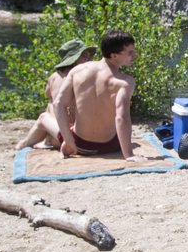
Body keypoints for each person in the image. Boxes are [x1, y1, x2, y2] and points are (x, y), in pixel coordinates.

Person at [54, 30, 144, 161]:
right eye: (130, 52)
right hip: (108, 146)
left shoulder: (77, 70)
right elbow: (121, 118)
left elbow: (58, 104)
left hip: (78, 144)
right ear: (113, 55)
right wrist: (129, 155)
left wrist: (68, 140)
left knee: (61, 125)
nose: (134, 55)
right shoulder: (124, 81)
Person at [15, 39, 96, 150]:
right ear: (74, 59)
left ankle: (28, 143)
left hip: (73, 136)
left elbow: (47, 94)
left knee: (48, 109)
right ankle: (46, 139)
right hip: (84, 134)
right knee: (53, 105)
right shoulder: (86, 76)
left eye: (88, 55)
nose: (88, 58)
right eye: (84, 55)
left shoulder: (54, 77)